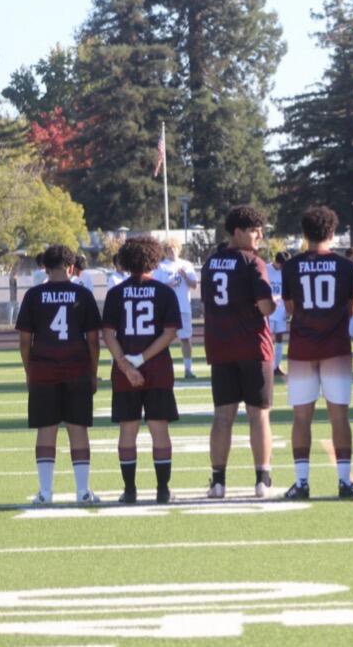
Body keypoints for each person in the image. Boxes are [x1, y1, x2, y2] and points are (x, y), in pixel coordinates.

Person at [282, 206, 353, 499]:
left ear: (304, 233)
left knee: (301, 417)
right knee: (339, 416)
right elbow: (352, 309)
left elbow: (289, 308)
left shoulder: (291, 266)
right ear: (332, 232)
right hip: (335, 347)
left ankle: (302, 483)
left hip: (302, 346)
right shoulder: (345, 267)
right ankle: (344, 481)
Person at [15, 244, 102, 505]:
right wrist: (93, 372)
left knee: (46, 429)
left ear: (44, 267)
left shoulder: (33, 295)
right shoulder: (82, 294)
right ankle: (83, 491)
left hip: (43, 367)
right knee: (78, 429)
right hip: (77, 367)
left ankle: (45, 493)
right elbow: (93, 340)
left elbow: (24, 340)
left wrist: (29, 370)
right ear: (72, 267)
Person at [201, 206, 277, 499]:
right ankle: (262, 479)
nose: (259, 235)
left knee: (222, 416)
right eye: (253, 229)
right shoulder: (252, 262)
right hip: (253, 346)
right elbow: (265, 306)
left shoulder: (210, 263)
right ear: (236, 231)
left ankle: (218, 481)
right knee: (259, 415)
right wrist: (277, 303)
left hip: (221, 346)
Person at [101, 236, 181, 504]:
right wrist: (141, 359)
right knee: (159, 429)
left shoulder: (115, 293)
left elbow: (108, 334)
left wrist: (125, 363)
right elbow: (170, 333)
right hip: (157, 368)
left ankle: (130, 490)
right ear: (154, 258)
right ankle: (162, 490)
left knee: (128, 430)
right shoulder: (164, 292)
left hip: (124, 373)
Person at [154, 243, 199, 380]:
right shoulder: (161, 266)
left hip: (184, 307)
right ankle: (161, 370)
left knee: (185, 338)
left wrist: (185, 276)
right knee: (164, 339)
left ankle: (188, 369)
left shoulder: (186, 265)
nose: (172, 251)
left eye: (174, 248)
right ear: (166, 251)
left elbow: (194, 285)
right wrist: (168, 285)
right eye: (169, 249)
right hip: (167, 308)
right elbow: (155, 287)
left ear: (179, 249)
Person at [268, 252, 289, 375]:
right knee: (268, 339)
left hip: (281, 311)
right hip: (269, 311)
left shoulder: (285, 272)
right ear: (277, 262)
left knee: (280, 338)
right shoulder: (266, 269)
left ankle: (277, 366)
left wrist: (288, 310)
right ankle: (268, 366)